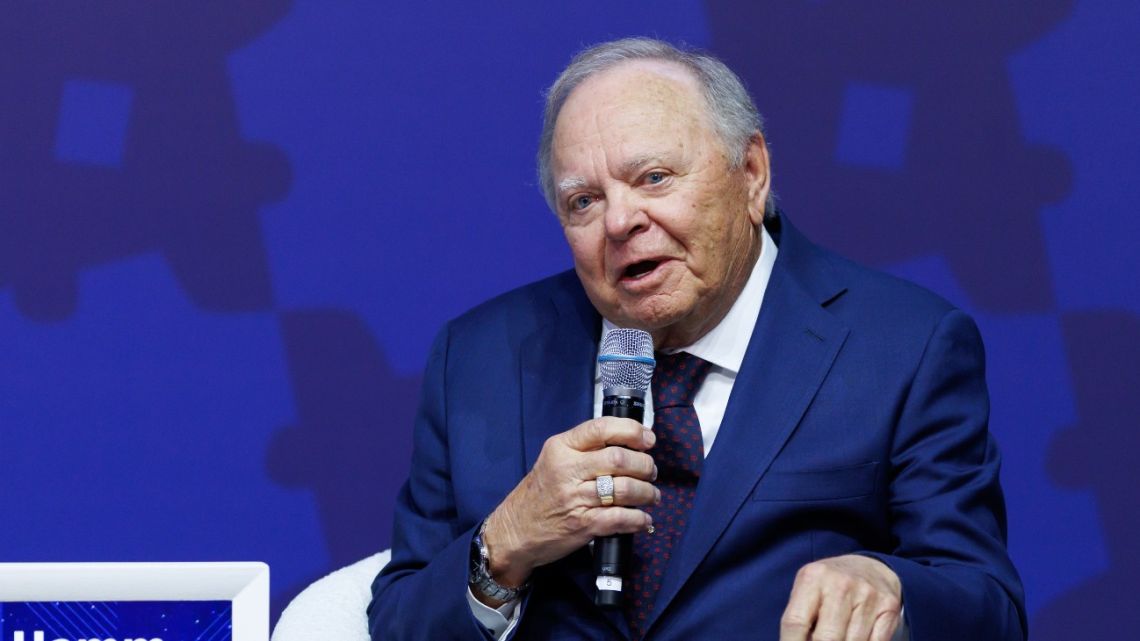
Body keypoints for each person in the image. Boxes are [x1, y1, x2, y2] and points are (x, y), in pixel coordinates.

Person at [368, 38, 1025, 641]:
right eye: (583, 202)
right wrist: (502, 547)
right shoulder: (478, 357)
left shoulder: (904, 346)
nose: (621, 221)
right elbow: (397, 620)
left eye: (654, 177)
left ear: (752, 173)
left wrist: (894, 589)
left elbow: (988, 606)